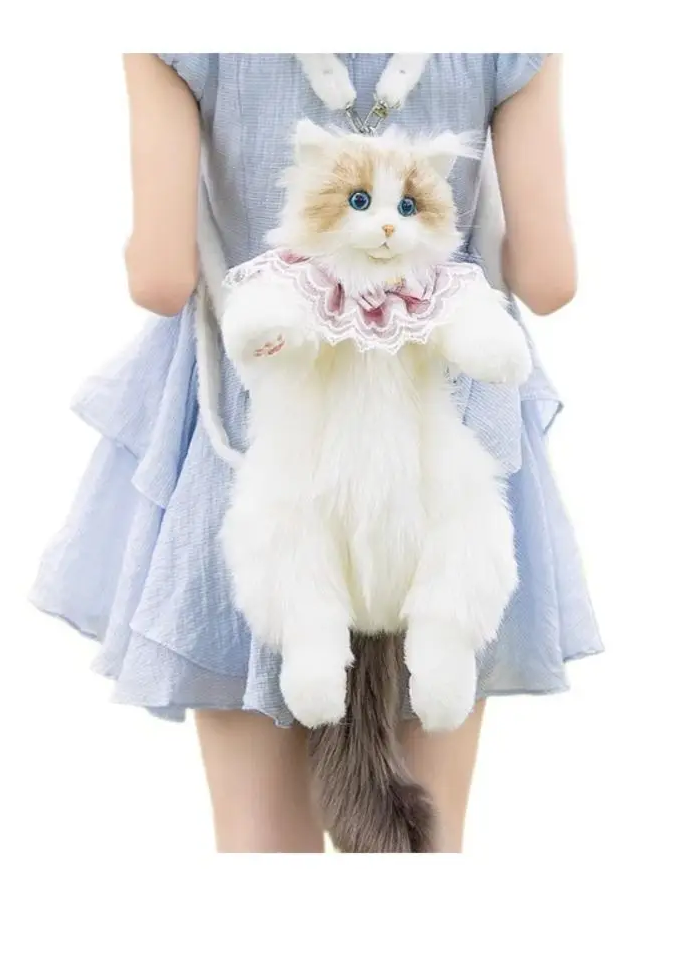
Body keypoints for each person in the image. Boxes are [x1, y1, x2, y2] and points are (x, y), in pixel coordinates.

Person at [30, 53, 602, 853]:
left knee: (261, 841)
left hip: (259, 428)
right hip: (442, 430)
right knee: (425, 844)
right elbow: (548, 277)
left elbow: (160, 277)